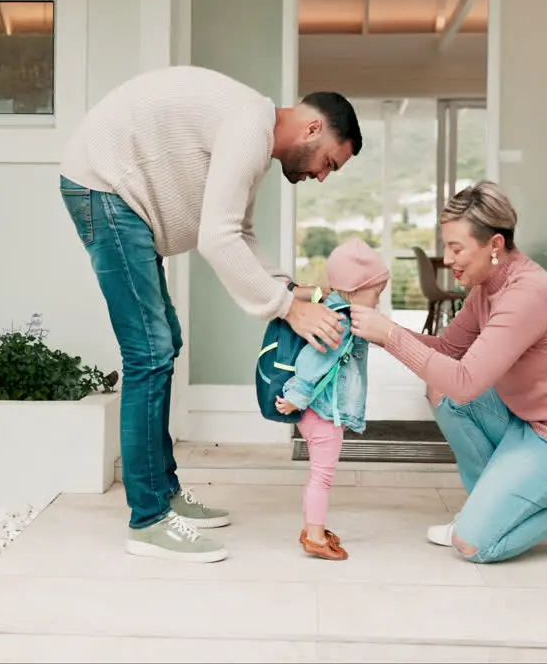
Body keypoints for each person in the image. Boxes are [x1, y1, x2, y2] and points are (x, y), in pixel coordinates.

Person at [58, 65, 363, 563]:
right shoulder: (248, 126)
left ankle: (162, 491)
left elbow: (238, 232)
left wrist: (292, 288)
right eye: (330, 162)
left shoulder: (253, 134)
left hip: (118, 194)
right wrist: (289, 311)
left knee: (163, 344)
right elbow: (216, 240)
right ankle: (149, 519)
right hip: (104, 187)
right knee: (149, 352)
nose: (321, 176)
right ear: (313, 129)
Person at [347, 181, 547, 563]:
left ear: (494, 245)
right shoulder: (487, 287)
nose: (448, 259)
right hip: (532, 423)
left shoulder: (526, 296)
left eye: (456, 247)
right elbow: (447, 352)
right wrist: (378, 333)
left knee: (475, 545)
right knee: (441, 391)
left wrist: (393, 335)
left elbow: (466, 383)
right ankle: (488, 511)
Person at [274, 238, 391, 561]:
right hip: (322, 412)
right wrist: (297, 397)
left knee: (320, 474)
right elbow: (315, 359)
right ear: (354, 290)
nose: (379, 299)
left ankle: (314, 528)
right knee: (321, 476)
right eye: (376, 292)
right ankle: (314, 535)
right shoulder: (339, 321)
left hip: (320, 410)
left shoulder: (341, 313)